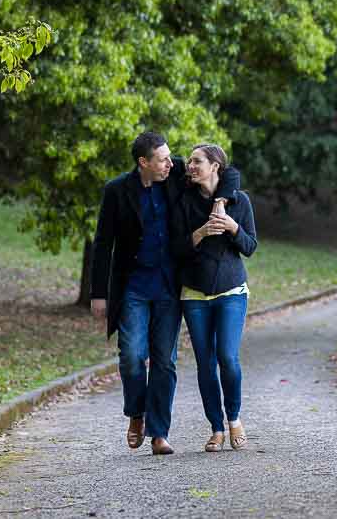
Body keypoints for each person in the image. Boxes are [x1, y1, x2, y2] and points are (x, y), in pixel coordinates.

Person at [90, 132, 240, 455]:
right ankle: (136, 413)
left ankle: (159, 433)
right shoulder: (117, 191)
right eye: (163, 159)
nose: (172, 164)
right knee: (131, 355)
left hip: (170, 286)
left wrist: (220, 200)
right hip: (133, 286)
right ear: (144, 162)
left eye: (171, 158)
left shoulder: (174, 176)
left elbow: (228, 172)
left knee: (164, 360)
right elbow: (103, 243)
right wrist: (98, 292)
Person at [170, 144, 257, 452]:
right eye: (191, 161)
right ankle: (216, 428)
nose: (190, 166)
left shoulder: (239, 200)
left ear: (215, 167)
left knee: (228, 358)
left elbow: (249, 246)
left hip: (232, 291)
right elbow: (177, 249)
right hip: (194, 294)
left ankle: (234, 419)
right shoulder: (183, 201)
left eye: (197, 161)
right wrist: (201, 233)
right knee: (205, 363)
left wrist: (232, 227)